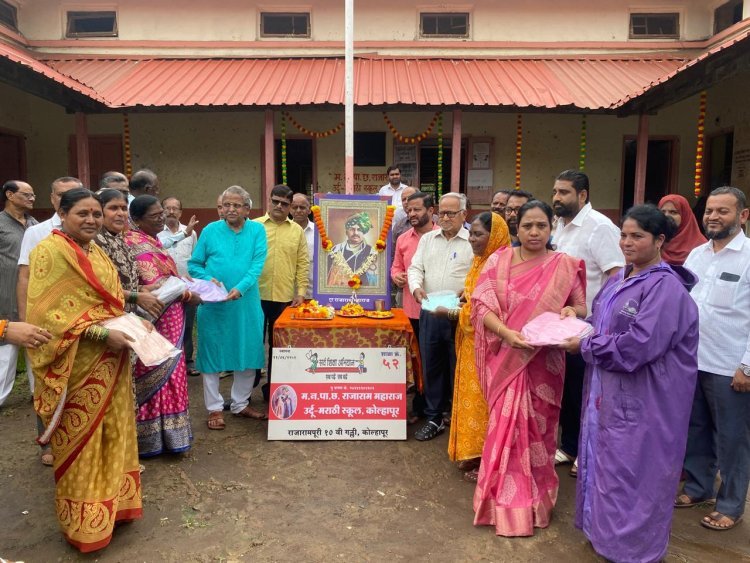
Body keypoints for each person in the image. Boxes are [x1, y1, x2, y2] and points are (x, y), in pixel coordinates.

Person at [560, 204, 699, 562]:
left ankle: (634, 550)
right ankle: (603, 535)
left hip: (647, 403)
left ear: (660, 240)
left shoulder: (665, 289)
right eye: (623, 234)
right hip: (609, 397)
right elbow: (599, 320)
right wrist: (576, 321)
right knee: (606, 470)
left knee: (637, 475)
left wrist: (585, 344)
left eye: (637, 236)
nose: (626, 242)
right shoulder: (618, 279)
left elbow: (638, 346)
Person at [27, 188, 142, 552]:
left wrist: (136, 325)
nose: (91, 219)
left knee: (113, 430)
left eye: (96, 213)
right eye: (83, 213)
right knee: (84, 438)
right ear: (62, 213)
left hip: (113, 358)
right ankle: (84, 524)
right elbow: (49, 316)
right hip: (77, 363)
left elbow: (113, 302)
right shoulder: (50, 251)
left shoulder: (97, 251)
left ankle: (114, 507)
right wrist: (99, 333)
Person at [471, 200, 586, 537]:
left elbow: (579, 306)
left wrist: (570, 314)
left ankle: (536, 503)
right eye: (527, 226)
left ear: (552, 228)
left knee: (539, 432)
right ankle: (500, 505)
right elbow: (481, 308)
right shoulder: (498, 261)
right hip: (507, 356)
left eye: (542, 226)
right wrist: (508, 334)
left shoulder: (564, 265)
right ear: (516, 229)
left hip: (544, 363)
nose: (534, 232)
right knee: (504, 430)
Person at [678, 186, 750, 532]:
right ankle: (698, 487)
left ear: (743, 216)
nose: (714, 217)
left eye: (723, 211)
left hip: (730, 367)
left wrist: (747, 366)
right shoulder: (697, 255)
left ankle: (732, 505)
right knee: (696, 430)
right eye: (709, 211)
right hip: (692, 361)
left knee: (733, 438)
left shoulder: (749, 256)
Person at [551, 170, 624, 476]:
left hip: (589, 324)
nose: (557, 198)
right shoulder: (558, 226)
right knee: (566, 388)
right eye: (555, 191)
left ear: (582, 195)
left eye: (564, 192)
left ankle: (586, 451)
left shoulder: (600, 228)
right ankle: (568, 446)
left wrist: (600, 322)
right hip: (560, 322)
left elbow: (616, 275)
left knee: (587, 391)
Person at [188, 186, 268, 429]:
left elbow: (257, 264)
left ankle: (240, 403)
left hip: (245, 303)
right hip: (214, 303)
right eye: (226, 205)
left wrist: (240, 288)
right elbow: (194, 265)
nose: (231, 209)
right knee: (211, 353)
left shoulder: (257, 230)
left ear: (247, 209)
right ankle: (214, 408)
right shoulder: (210, 230)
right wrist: (207, 280)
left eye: (236, 205)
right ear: (221, 208)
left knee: (248, 351)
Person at [126, 195, 198, 456]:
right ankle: (151, 439)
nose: (162, 218)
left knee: (174, 375)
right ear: (136, 219)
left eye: (162, 214)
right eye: (155, 215)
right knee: (153, 373)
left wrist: (185, 286)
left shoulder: (153, 240)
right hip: (155, 321)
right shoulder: (133, 243)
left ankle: (173, 437)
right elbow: (155, 286)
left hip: (173, 318)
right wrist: (188, 293)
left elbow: (169, 278)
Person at [441, 212, 509, 482]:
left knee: (485, 403)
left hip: (489, 349)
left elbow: (491, 311)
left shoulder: (500, 265)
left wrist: (452, 314)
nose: (472, 239)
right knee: (470, 399)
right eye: (472, 233)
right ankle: (472, 452)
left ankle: (487, 459)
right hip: (470, 345)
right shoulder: (481, 260)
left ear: (495, 236)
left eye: (479, 234)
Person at [408, 193, 473, 441]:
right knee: (432, 365)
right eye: (441, 213)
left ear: (463, 215)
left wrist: (468, 291)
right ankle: (434, 417)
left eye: (451, 213)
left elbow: (479, 275)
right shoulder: (427, 240)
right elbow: (415, 267)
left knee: (459, 367)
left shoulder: (471, 241)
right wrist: (415, 287)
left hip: (459, 316)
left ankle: (459, 417)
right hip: (430, 313)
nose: (444, 218)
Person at [254, 185, 309, 400]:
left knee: (279, 346)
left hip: (284, 298)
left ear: (290, 208)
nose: (279, 206)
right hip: (254, 296)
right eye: (275, 201)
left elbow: (302, 264)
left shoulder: (297, 231)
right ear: (269, 201)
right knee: (252, 344)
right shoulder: (254, 227)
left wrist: (301, 292)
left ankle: (274, 388)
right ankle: (245, 392)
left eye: (284, 204)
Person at [391, 192, 439, 422]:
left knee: (437, 361)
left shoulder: (442, 236)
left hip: (439, 310)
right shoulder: (403, 239)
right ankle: (420, 407)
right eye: (409, 210)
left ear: (431, 211)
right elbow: (395, 267)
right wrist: (397, 276)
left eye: (417, 209)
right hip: (412, 309)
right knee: (416, 360)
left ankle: (438, 408)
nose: (411, 214)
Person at [94, 189, 163, 317]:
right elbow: (97, 286)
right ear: (99, 212)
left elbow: (124, 281)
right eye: (113, 208)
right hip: (105, 318)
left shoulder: (121, 240)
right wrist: (135, 296)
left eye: (124, 208)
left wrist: (141, 289)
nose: (120, 213)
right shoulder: (95, 241)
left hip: (126, 316)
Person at [0, 180, 38, 406]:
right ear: (10, 195)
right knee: (6, 348)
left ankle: (39, 393)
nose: (32, 198)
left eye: (33, 195)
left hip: (33, 294)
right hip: (5, 293)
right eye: (27, 194)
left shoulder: (34, 225)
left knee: (36, 341)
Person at [159, 196, 199, 374]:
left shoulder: (190, 232)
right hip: (165, 288)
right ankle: (168, 362)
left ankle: (188, 360)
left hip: (187, 287)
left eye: (175, 208)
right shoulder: (156, 234)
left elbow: (195, 258)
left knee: (188, 324)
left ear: (181, 212)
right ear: (162, 211)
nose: (171, 211)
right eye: (167, 208)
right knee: (166, 324)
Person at [327, 211, 379, 287]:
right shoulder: (336, 250)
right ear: (346, 232)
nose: (356, 233)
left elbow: (375, 280)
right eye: (352, 229)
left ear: (364, 232)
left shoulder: (372, 252)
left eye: (359, 229)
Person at [658, 193, 707, 266]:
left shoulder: (702, 247)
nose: (666, 216)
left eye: (673, 212)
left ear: (685, 216)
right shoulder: (654, 241)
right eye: (663, 212)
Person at [290, 192, 315, 299]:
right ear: (290, 209)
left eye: (302, 207)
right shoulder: (285, 231)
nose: (298, 210)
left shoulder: (318, 231)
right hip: (290, 292)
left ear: (309, 210)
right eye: (295, 207)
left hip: (313, 289)